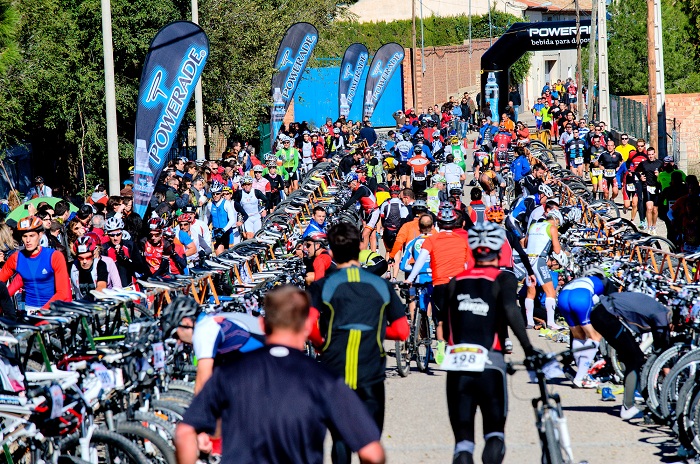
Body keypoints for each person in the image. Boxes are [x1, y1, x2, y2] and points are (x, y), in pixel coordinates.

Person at [175, 286, 385, 464]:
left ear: (262, 324)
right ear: (308, 326)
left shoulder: (228, 373)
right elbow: (372, 453)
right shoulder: (324, 379)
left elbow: (184, 433)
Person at [308, 223, 408, 464]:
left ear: (332, 251)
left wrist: (322, 344)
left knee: (340, 439)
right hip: (370, 370)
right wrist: (373, 329)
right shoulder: (381, 285)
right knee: (369, 443)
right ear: (360, 248)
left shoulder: (323, 285)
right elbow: (402, 331)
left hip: (335, 368)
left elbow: (308, 326)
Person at [443, 221, 535, 464]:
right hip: (489, 362)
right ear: (499, 250)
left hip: (457, 365)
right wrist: (528, 349)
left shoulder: (455, 281)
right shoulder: (503, 278)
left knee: (463, 444)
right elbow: (511, 310)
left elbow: (446, 330)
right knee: (494, 436)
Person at [406, 206, 473, 364]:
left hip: (441, 283)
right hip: (459, 283)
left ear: (439, 223)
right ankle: (456, 347)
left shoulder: (431, 240)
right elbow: (467, 265)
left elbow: (420, 261)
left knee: (441, 320)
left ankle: (441, 348)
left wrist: (410, 279)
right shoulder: (462, 240)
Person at [590, 292, 671, 420]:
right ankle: (628, 407)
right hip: (606, 315)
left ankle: (637, 396)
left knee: (632, 356)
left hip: (602, 311)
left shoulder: (660, 309)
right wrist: (668, 373)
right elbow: (662, 349)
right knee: (635, 358)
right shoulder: (662, 317)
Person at [0, 216, 71, 317]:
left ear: (40, 235)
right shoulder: (16, 258)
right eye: (25, 236)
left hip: (51, 311)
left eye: (32, 235)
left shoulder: (55, 256)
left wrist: (41, 313)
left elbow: (63, 292)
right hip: (29, 312)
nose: (28, 240)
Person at [556, 267, 611, 389]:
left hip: (563, 296)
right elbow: (611, 303)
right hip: (580, 297)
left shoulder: (580, 279)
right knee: (595, 337)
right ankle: (580, 378)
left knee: (578, 336)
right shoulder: (604, 281)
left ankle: (581, 371)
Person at [522, 210, 567, 330]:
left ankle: (529, 322)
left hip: (528, 260)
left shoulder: (533, 226)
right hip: (539, 260)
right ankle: (551, 323)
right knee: (550, 292)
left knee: (530, 293)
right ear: (556, 220)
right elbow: (557, 250)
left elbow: (525, 243)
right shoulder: (552, 228)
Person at [70, 236, 119, 300]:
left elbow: (101, 287)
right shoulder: (73, 266)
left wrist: (88, 299)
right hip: (80, 304)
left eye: (88, 257)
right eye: (81, 258)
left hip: (98, 302)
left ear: (93, 254)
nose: (84, 261)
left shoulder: (100, 264)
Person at [341, 173, 379, 251]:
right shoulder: (356, 190)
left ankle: (363, 255)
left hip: (373, 212)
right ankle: (373, 253)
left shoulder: (361, 189)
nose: (349, 186)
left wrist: (341, 208)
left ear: (355, 181)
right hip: (369, 213)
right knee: (371, 235)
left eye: (349, 183)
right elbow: (350, 200)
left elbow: (352, 200)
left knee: (364, 235)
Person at [102, 216, 140, 286]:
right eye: (112, 235)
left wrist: (125, 258)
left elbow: (139, 266)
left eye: (118, 234)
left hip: (128, 282)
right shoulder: (104, 248)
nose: (115, 238)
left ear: (122, 233)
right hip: (111, 285)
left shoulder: (130, 245)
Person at [207, 181, 240, 254]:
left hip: (227, 232)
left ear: (221, 193)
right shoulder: (209, 205)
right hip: (216, 232)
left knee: (229, 257)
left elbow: (232, 220)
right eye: (213, 194)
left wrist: (223, 230)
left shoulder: (226, 203)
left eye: (217, 193)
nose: (215, 195)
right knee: (219, 257)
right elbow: (207, 218)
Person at [637, 147, 664, 235]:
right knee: (649, 208)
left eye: (652, 154)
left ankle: (653, 226)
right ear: (647, 155)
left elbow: (664, 174)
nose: (651, 156)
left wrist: (659, 175)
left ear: (655, 154)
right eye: (649, 155)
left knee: (655, 210)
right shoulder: (643, 164)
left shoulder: (660, 163)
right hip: (647, 187)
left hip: (656, 187)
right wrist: (640, 177)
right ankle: (649, 228)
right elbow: (637, 171)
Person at [379, 185, 409, 252]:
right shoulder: (402, 205)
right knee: (397, 251)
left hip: (387, 229)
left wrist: (384, 226)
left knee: (388, 251)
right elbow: (404, 219)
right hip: (398, 230)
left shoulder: (385, 204)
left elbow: (382, 217)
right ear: (398, 194)